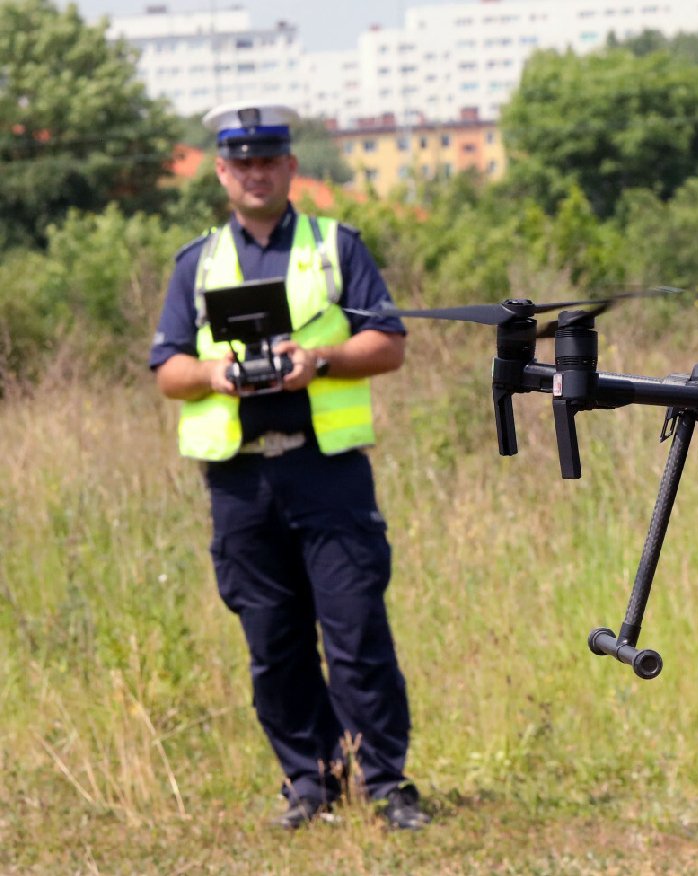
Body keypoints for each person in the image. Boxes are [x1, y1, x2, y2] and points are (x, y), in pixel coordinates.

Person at [149, 101, 430, 831]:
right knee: (272, 643)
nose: (255, 173)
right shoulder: (197, 262)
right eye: (241, 163)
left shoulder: (337, 246)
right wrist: (213, 377)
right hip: (241, 481)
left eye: (268, 160)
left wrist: (322, 360)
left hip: (326, 472)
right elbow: (167, 369)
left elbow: (389, 344)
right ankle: (310, 782)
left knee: (357, 630)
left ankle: (386, 783)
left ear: (290, 167)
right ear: (221, 172)